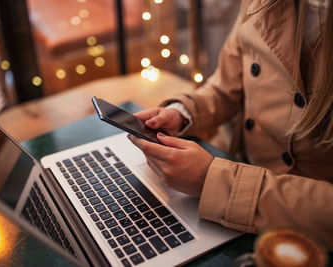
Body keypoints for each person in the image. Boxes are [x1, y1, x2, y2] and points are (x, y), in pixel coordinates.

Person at [128, 0, 333, 250]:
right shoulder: (261, 3)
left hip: (299, 223)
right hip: (238, 165)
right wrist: (182, 112)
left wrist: (212, 180)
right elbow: (226, 87)